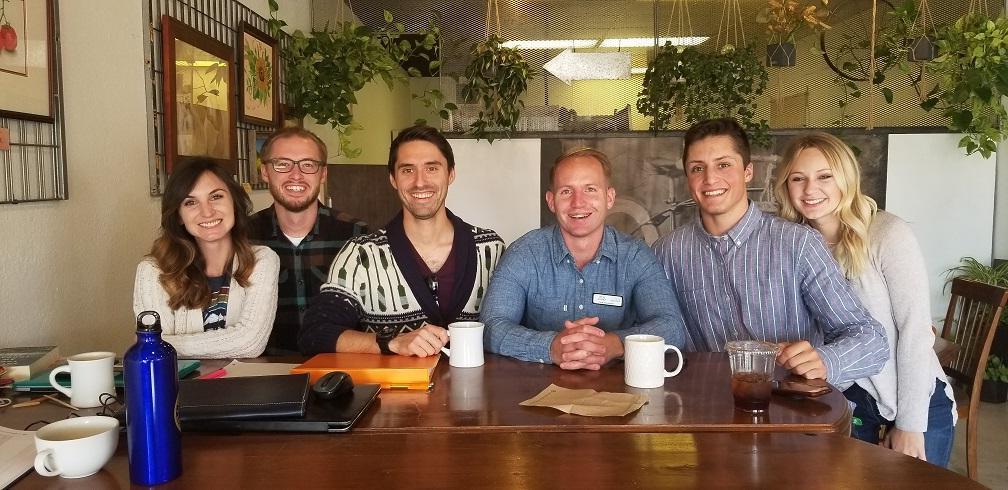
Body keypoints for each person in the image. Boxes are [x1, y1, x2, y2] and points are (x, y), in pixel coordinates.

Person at [652, 118, 889, 386]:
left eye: (724, 164)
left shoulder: (798, 244)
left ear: (748, 171)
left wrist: (826, 360)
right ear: (687, 179)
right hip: (708, 410)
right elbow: (657, 336)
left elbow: (872, 340)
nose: (710, 178)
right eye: (697, 168)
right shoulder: (666, 253)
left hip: (794, 413)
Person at [773, 131, 955, 466]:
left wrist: (910, 425)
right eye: (798, 178)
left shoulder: (887, 233)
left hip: (910, 401)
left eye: (824, 176)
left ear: (846, 178)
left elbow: (916, 333)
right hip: (842, 404)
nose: (810, 190)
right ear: (786, 186)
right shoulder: (790, 245)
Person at [299, 125, 504, 356]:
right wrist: (390, 343)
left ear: (451, 174)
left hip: (479, 390)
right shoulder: (362, 255)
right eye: (407, 170)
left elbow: (518, 326)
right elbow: (316, 333)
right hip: (397, 391)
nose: (420, 182)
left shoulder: (490, 249)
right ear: (393, 179)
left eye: (432, 168)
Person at [481, 148, 686, 370]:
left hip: (619, 391)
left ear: (609, 198)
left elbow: (672, 327)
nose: (578, 203)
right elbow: (491, 326)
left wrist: (614, 344)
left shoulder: (636, 256)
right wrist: (550, 347)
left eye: (590, 189)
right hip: (537, 390)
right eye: (566, 191)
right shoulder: (524, 253)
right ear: (551, 201)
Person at [133, 158, 279, 358]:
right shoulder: (153, 270)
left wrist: (165, 345)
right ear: (178, 216)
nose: (207, 211)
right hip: (179, 388)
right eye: (191, 202)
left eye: (216, 196)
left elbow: (251, 343)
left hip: (244, 386)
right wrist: (155, 346)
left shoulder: (262, 260)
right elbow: (153, 352)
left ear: (234, 203)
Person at [249, 127, 368, 355]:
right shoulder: (244, 237)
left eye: (308, 164)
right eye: (282, 164)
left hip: (340, 374)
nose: (296, 175)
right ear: (264, 171)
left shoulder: (356, 235)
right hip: (265, 374)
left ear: (323, 174)